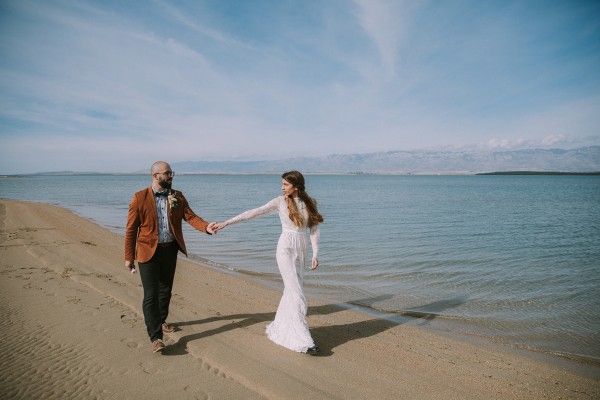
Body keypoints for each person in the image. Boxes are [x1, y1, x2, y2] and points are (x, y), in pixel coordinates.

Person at [214, 171, 323, 355]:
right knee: (297, 293)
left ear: (296, 186)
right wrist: (226, 223)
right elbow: (253, 213)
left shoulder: (309, 202)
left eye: (285, 185)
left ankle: (283, 328)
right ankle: (304, 340)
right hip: (285, 248)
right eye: (282, 184)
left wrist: (316, 253)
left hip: (301, 249)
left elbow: (313, 229)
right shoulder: (279, 202)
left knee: (292, 290)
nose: (282, 187)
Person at [125, 161, 217, 353]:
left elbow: (191, 217)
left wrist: (206, 227)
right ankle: (156, 337)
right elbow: (131, 229)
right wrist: (129, 257)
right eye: (167, 173)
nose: (171, 176)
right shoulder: (139, 197)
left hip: (169, 250)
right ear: (155, 176)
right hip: (147, 251)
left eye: (171, 173)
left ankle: (162, 320)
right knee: (151, 294)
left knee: (165, 290)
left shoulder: (178, 196)